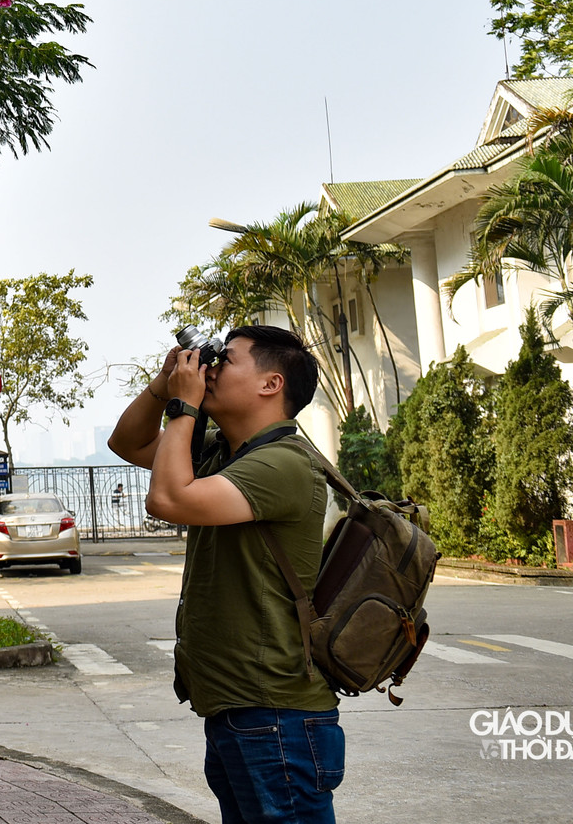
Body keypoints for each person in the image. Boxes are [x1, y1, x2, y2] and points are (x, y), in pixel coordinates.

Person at [107, 325, 339, 824]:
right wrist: (163, 384)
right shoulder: (224, 453)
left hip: (276, 714)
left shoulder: (282, 464)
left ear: (270, 385)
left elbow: (168, 500)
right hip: (241, 708)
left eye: (225, 361)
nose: (209, 369)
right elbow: (127, 442)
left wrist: (182, 407)